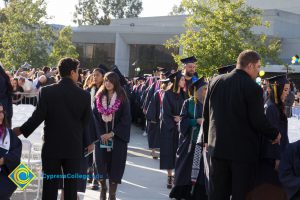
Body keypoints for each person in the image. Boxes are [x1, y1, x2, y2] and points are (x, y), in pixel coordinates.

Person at [203, 50, 281, 200]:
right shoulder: (253, 88)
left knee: (217, 194)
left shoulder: (215, 81)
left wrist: (207, 139)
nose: (259, 71)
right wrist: (275, 134)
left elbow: (206, 115)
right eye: (258, 67)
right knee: (241, 194)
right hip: (242, 154)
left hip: (217, 149)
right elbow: (258, 120)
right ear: (250, 65)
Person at [13, 58, 93, 200]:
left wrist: (20, 130)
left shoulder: (47, 92)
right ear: (72, 72)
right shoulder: (84, 95)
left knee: (49, 189)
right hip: (73, 147)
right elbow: (86, 122)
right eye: (77, 72)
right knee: (70, 189)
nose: (78, 76)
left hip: (51, 147)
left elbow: (37, 118)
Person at [93, 72, 131, 200]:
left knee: (116, 167)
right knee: (100, 165)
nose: (107, 83)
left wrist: (112, 133)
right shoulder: (99, 97)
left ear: (115, 82)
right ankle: (103, 188)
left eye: (110, 81)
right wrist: (101, 134)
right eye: (106, 80)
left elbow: (126, 119)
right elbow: (94, 119)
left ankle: (112, 194)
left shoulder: (122, 97)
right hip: (101, 138)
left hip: (117, 139)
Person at [170, 77, 208, 200]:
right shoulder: (189, 103)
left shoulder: (210, 104)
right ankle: (183, 193)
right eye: (204, 89)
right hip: (190, 143)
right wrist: (195, 121)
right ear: (197, 91)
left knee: (202, 172)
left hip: (204, 144)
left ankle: (198, 194)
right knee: (185, 170)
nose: (206, 91)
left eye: (207, 89)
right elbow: (182, 122)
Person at [258, 75, 290, 188]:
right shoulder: (271, 108)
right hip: (273, 159)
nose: (287, 93)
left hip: (281, 154)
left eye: (288, 90)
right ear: (278, 89)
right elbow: (273, 137)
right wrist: (277, 158)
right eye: (285, 90)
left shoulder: (276, 106)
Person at [160, 70, 187, 189]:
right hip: (169, 128)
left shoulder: (184, 95)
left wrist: (181, 119)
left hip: (181, 128)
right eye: (181, 79)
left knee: (179, 152)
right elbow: (165, 113)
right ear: (176, 81)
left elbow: (187, 110)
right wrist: (173, 122)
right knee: (169, 152)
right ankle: (170, 176)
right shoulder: (167, 94)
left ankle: (177, 175)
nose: (184, 81)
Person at [0, 103, 22, 200]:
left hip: (9, 172)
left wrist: (4, 160)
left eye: (1, 112)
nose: (1, 115)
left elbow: (16, 156)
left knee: (2, 193)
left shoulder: (9, 134)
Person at [146, 78, 170, 159]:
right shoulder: (158, 93)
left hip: (166, 118)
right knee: (155, 135)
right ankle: (153, 152)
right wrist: (152, 117)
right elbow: (152, 105)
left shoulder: (170, 94)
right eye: (169, 84)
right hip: (157, 118)